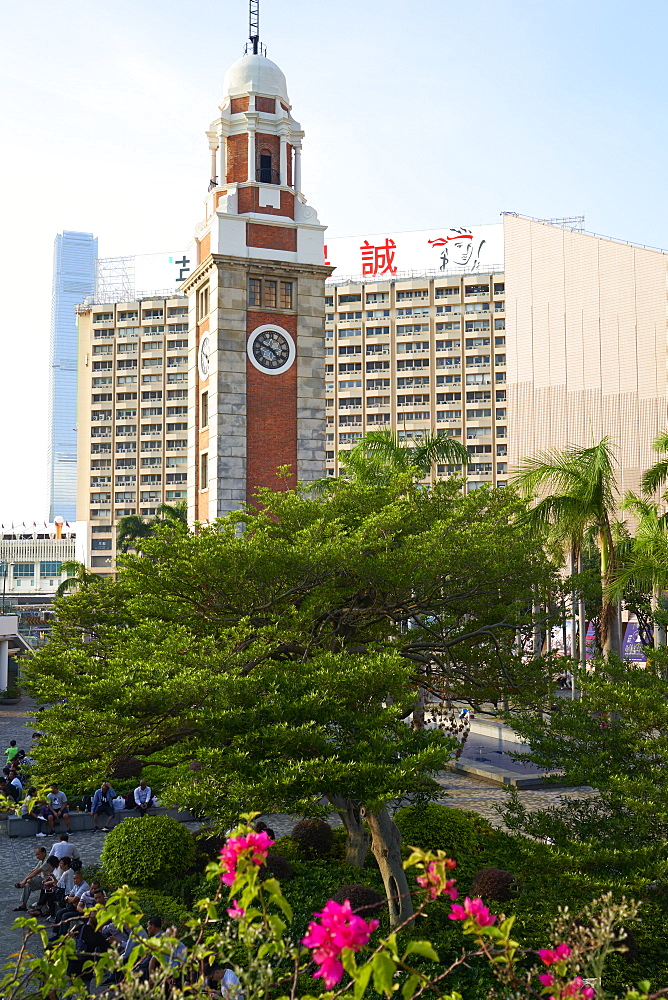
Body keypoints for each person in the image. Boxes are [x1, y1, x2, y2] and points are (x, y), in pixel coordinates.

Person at [49, 871, 90, 940]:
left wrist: (69, 899)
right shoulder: (76, 885)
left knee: (65, 916)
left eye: (77, 878)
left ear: (81, 878)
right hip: (74, 907)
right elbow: (70, 896)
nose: (75, 880)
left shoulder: (84, 887)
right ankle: (57, 934)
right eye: (74, 879)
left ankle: (63, 937)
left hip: (81, 910)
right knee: (59, 913)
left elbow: (73, 899)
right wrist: (68, 898)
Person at [13, 847, 54, 911]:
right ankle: (23, 904)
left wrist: (25, 880)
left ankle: (22, 884)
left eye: (38, 854)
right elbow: (34, 870)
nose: (37, 856)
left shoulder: (47, 861)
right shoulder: (41, 860)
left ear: (44, 853)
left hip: (48, 880)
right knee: (28, 885)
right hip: (42, 879)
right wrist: (25, 880)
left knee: (30, 880)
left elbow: (37, 871)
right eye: (36, 855)